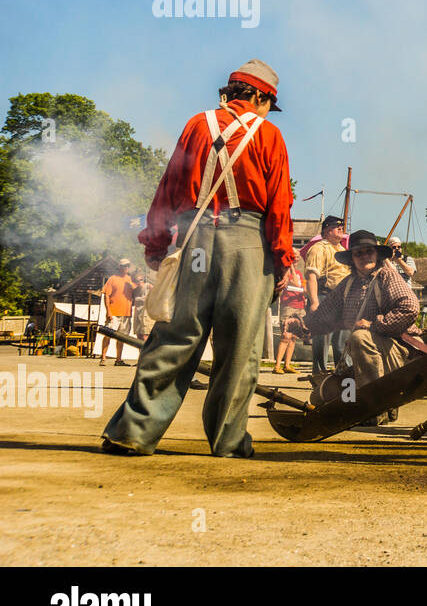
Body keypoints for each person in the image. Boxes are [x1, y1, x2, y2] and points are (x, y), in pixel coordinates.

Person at [101, 59, 294, 458]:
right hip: (247, 243)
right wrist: (283, 259)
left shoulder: (196, 125)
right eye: (266, 104)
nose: (263, 112)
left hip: (194, 239)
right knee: (239, 347)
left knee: (175, 336)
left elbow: (168, 187)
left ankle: (133, 433)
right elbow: (279, 205)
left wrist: (155, 245)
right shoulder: (269, 135)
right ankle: (228, 442)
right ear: (260, 96)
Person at [287, 230, 427, 422]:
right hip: (364, 358)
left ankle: (375, 408)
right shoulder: (348, 284)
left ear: (377, 255)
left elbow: (410, 308)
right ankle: (369, 405)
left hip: (400, 351)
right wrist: (300, 324)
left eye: (368, 251)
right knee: (319, 398)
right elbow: (323, 316)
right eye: (358, 253)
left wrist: (374, 324)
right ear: (352, 259)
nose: (364, 257)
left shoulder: (387, 276)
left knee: (359, 337)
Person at [305, 215, 349, 375]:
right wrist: (314, 302)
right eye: (337, 227)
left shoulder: (343, 250)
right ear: (326, 230)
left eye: (342, 227)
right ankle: (320, 374)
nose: (341, 229)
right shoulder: (318, 248)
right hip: (324, 297)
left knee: (342, 342)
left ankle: (343, 374)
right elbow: (311, 277)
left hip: (343, 300)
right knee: (322, 339)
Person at [99, 258, 136, 365]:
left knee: (122, 338)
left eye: (128, 265)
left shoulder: (131, 280)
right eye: (124, 265)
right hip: (114, 312)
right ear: (119, 267)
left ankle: (118, 360)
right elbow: (106, 295)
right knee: (108, 335)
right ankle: (103, 358)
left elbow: (138, 292)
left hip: (126, 314)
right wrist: (108, 311)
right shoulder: (112, 279)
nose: (126, 267)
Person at [273, 263, 306, 373]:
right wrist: (291, 267)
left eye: (297, 260)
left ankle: (287, 365)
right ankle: (277, 365)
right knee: (285, 336)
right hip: (288, 307)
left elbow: (304, 288)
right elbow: (296, 284)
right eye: (293, 259)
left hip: (300, 307)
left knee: (293, 337)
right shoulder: (285, 273)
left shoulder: (299, 273)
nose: (296, 262)